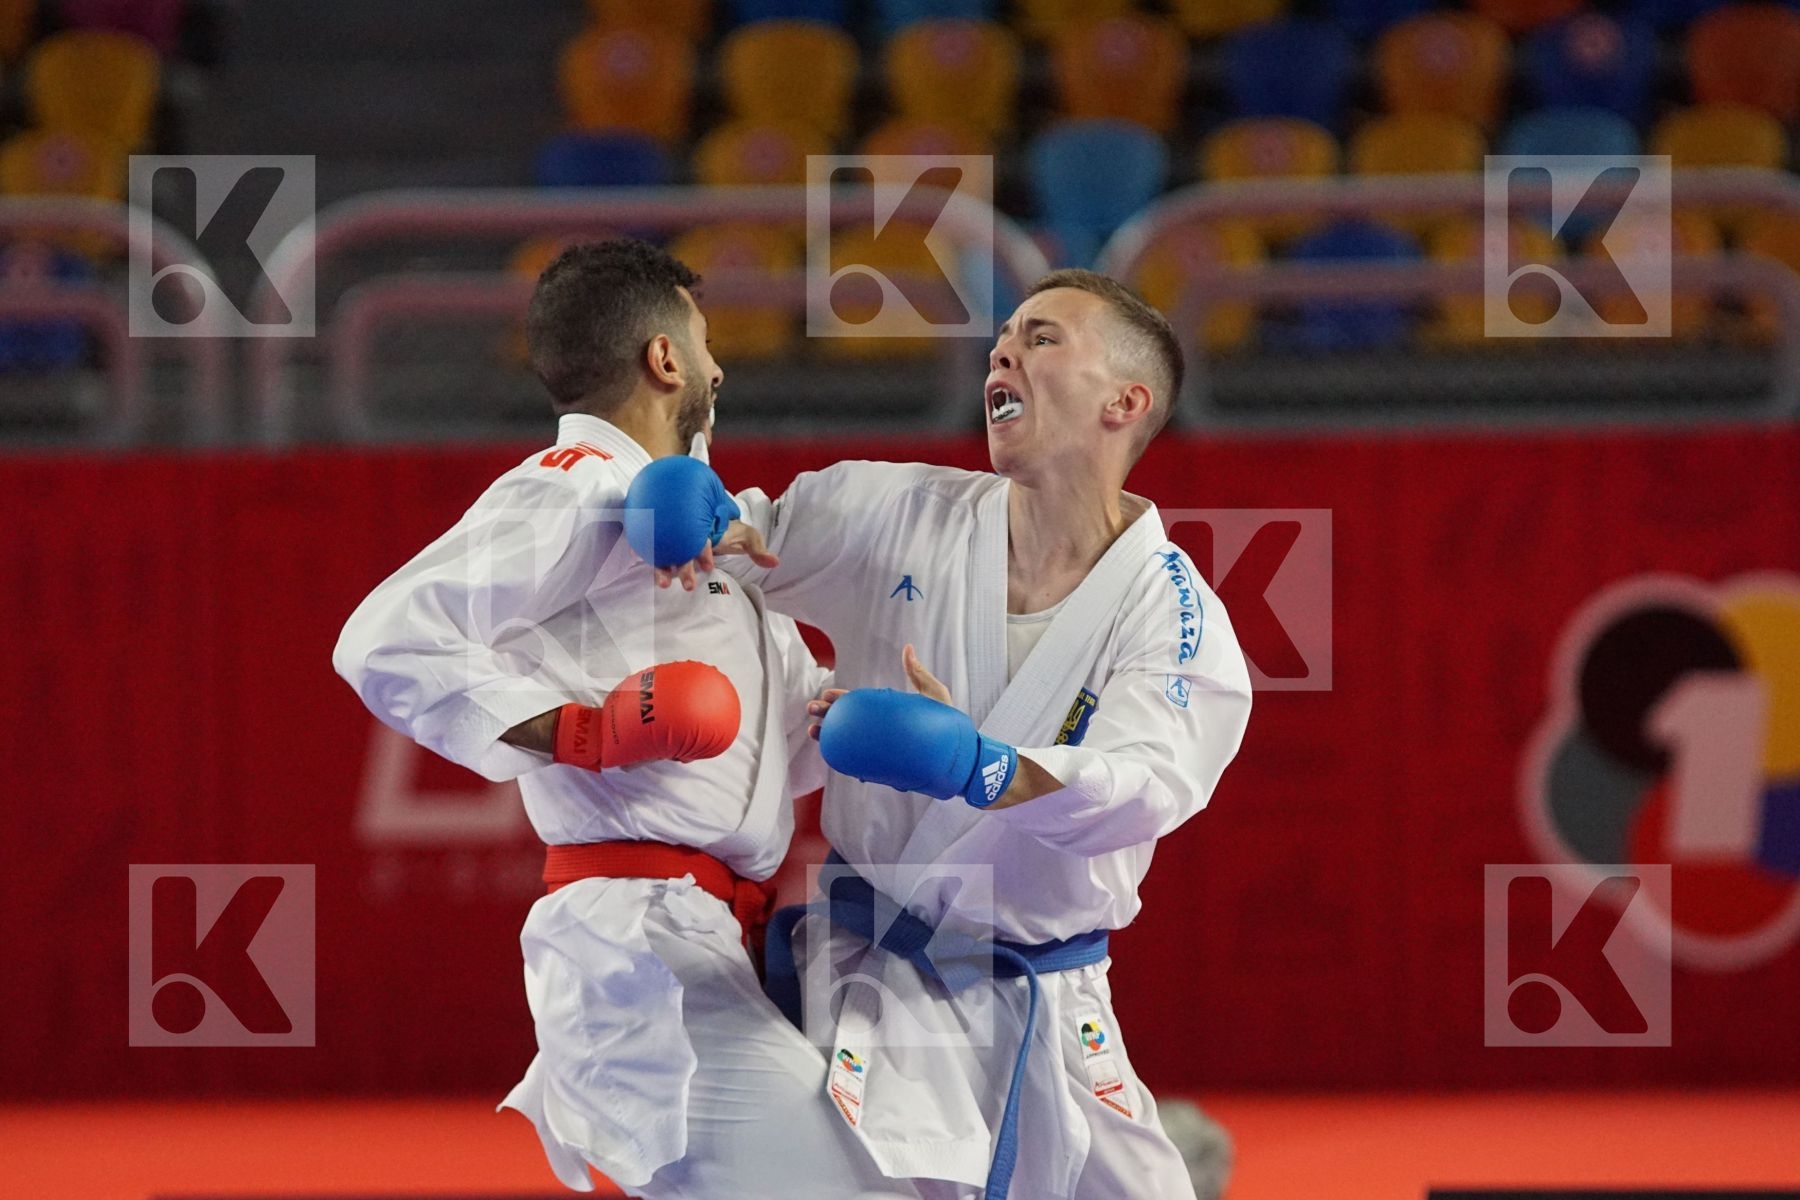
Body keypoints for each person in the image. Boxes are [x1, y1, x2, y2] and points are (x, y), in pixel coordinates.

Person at [641, 269, 1254, 1199]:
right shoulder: (899, 511)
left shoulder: (1176, 618)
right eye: (1004, 336)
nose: (1003, 350)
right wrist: (691, 512)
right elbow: (753, 535)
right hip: (865, 978)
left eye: (1044, 339)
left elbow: (1144, 787)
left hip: (1040, 995)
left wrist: (979, 766)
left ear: (1124, 403)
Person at [332, 239, 921, 1200]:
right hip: (635, 944)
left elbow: (758, 750)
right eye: (704, 341)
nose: (721, 368)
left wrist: (879, 725)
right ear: (664, 360)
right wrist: (583, 732)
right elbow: (382, 639)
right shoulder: (576, 486)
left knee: (900, 1164)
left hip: (723, 934)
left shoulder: (702, 543)